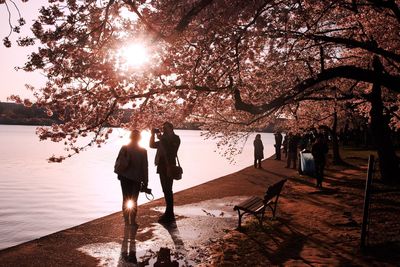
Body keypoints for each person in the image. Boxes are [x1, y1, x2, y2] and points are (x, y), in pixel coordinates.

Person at [115, 130, 148, 226]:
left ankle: (126, 222)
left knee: (125, 199)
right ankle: (133, 221)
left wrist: (119, 173)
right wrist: (146, 181)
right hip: (136, 179)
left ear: (130, 137)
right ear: (139, 138)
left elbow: (119, 162)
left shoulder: (124, 148)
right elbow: (145, 167)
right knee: (134, 200)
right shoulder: (143, 151)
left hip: (124, 177)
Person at [150, 122, 181, 223]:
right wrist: (152, 135)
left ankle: (169, 213)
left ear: (171, 128)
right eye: (163, 128)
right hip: (161, 166)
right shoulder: (163, 139)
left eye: (166, 128)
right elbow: (152, 145)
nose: (164, 130)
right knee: (165, 189)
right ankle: (169, 212)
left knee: (168, 189)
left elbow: (171, 150)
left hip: (170, 166)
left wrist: (162, 138)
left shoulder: (176, 138)